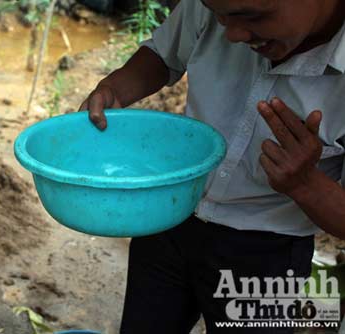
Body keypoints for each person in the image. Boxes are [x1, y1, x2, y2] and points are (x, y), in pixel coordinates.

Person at [79, 0, 345, 332]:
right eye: (220, 17)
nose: (232, 34)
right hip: (167, 215)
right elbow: (162, 55)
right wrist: (115, 88)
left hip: (267, 257)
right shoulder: (214, 5)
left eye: (251, 16)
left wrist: (306, 184)